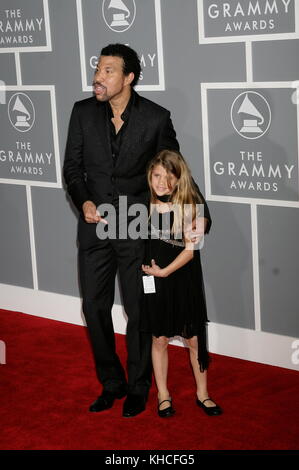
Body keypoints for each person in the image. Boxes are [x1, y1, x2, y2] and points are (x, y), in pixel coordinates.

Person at [63, 44, 180, 417]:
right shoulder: (82, 113)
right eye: (98, 68)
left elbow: (173, 173)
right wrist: (83, 201)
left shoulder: (156, 119)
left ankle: (139, 386)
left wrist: (190, 215)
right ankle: (111, 383)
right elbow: (72, 169)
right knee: (94, 307)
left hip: (135, 227)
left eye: (109, 70)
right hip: (94, 228)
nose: (99, 76)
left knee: (138, 309)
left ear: (129, 77)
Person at [141, 150, 222, 417]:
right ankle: (163, 395)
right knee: (160, 339)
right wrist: (154, 274)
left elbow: (189, 251)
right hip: (154, 279)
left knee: (195, 340)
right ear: (149, 177)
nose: (162, 182)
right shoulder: (143, 206)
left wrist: (165, 272)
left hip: (183, 278)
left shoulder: (188, 207)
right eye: (156, 176)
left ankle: (203, 394)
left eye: (169, 177)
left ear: (178, 178)